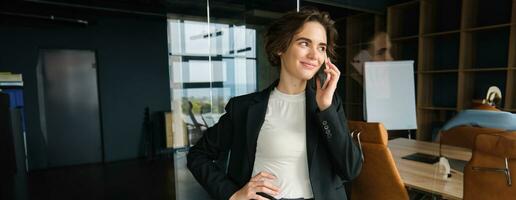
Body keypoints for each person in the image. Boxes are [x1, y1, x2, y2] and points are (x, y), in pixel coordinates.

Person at [187, 8, 362, 200]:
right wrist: (233, 194)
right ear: (280, 48)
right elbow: (198, 155)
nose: (315, 55)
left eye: (321, 47)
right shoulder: (244, 108)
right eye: (304, 43)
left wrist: (326, 108)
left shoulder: (328, 104)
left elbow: (350, 169)